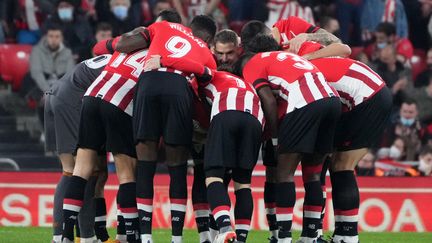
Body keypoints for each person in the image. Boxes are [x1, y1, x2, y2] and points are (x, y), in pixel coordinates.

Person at [112, 13, 216, 243]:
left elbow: (124, 44)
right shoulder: (205, 50)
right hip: (179, 88)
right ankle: (176, 239)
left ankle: (146, 237)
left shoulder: (164, 25)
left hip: (148, 83)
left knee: (145, 164)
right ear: (207, 37)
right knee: (177, 167)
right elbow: (206, 80)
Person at [238, 35, 341, 243]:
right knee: (313, 175)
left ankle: (283, 237)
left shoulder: (254, 62)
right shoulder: (289, 57)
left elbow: (267, 100)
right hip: (332, 101)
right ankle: (311, 236)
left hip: (306, 103)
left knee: (283, 173)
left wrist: (275, 138)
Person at [44, 54, 114, 243]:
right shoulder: (132, 63)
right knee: (79, 171)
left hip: (59, 94)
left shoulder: (116, 53)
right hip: (73, 101)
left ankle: (96, 236)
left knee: (97, 171)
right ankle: (79, 237)